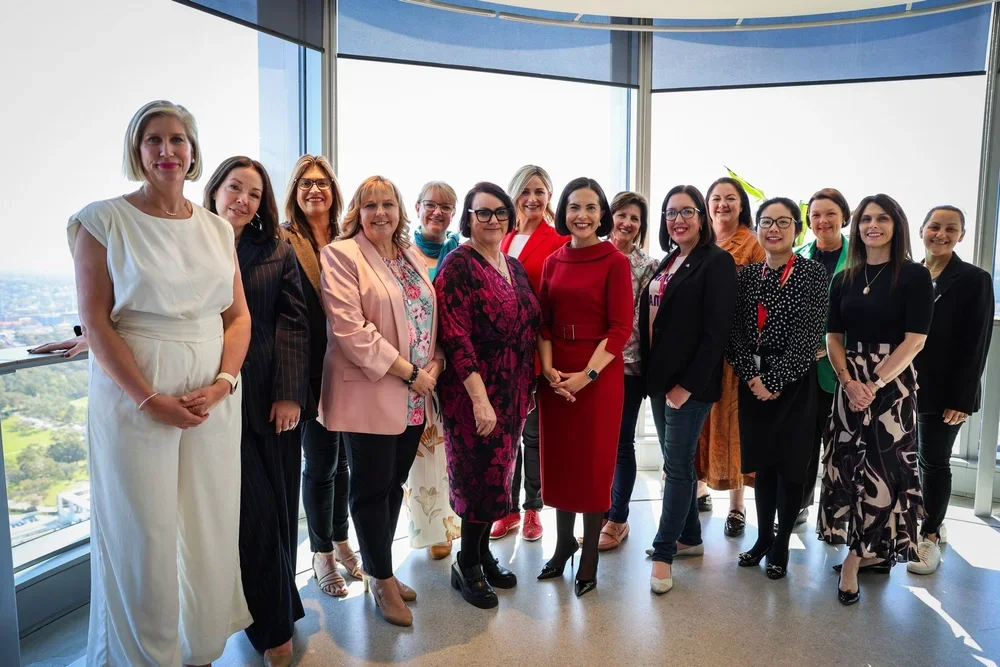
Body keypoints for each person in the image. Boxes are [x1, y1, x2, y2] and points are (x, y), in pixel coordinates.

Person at [70, 100, 251, 666]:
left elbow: (237, 316)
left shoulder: (219, 229)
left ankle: (197, 649)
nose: (167, 151)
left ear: (194, 151)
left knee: (209, 523)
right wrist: (148, 399)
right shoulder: (102, 221)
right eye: (154, 140)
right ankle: (143, 657)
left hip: (211, 397)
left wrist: (224, 383)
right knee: (141, 532)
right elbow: (96, 321)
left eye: (178, 139)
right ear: (136, 149)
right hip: (136, 397)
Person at [319, 175, 444, 627]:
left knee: (393, 486)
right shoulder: (340, 254)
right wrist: (411, 372)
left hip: (415, 397)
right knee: (370, 491)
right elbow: (350, 330)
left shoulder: (410, 255)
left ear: (399, 211)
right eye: (369, 205)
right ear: (357, 210)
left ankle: (378, 570)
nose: (380, 213)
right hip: (371, 393)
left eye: (387, 204)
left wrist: (437, 362)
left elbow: (426, 318)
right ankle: (382, 580)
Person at [204, 156, 309, 666]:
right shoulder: (193, 241)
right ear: (215, 190)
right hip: (209, 399)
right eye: (234, 188)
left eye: (252, 192)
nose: (242, 199)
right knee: (253, 515)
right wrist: (86, 335)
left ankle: (276, 615)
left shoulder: (276, 249)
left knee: (281, 512)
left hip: (270, 401)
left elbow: (295, 322)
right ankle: (273, 625)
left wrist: (290, 392)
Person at [819, 194, 934, 605]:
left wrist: (875, 383)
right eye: (866, 219)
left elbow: (915, 341)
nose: (873, 225)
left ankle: (863, 554)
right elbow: (834, 338)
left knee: (883, 471)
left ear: (896, 224)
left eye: (882, 218)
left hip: (893, 386)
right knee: (848, 467)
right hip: (849, 384)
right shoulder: (844, 278)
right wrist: (850, 381)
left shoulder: (915, 277)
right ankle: (858, 551)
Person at [435, 182, 541, 608]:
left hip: (512, 393)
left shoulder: (513, 267)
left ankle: (480, 553)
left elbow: (529, 324)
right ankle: (467, 565)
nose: (493, 219)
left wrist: (527, 387)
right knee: (475, 478)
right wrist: (480, 399)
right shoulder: (458, 265)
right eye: (483, 213)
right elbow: (456, 338)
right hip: (472, 395)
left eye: (500, 212)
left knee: (498, 479)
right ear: (468, 218)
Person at [535, 177, 632, 598]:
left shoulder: (614, 261)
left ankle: (588, 555)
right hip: (556, 376)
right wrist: (550, 370)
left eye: (592, 207)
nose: (582, 215)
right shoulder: (554, 261)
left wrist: (586, 376)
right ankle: (561, 549)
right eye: (575, 206)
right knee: (559, 465)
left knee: (592, 468)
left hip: (598, 376)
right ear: (564, 211)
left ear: (602, 214)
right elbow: (541, 322)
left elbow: (620, 328)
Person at [639, 184, 737, 594]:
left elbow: (717, 334)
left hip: (689, 388)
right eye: (670, 213)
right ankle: (691, 539)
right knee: (675, 463)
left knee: (676, 469)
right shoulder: (668, 262)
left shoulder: (716, 263)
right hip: (661, 384)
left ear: (701, 218)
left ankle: (663, 555)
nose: (677, 220)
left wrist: (688, 386)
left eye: (687, 212)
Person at [727, 198, 828, 580]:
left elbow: (807, 336)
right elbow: (734, 333)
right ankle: (763, 538)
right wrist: (752, 378)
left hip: (794, 383)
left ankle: (782, 542)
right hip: (751, 380)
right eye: (766, 222)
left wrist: (773, 380)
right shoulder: (747, 276)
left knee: (790, 466)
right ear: (757, 229)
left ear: (797, 230)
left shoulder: (812, 274)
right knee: (763, 466)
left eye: (783, 222)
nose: (774, 229)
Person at [281, 155, 362, 598]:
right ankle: (320, 554)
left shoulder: (349, 237)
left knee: (344, 462)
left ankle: (341, 538)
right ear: (294, 191)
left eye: (323, 183)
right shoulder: (283, 239)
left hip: (350, 366)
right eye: (305, 184)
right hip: (309, 369)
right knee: (321, 463)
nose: (315, 190)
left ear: (334, 191)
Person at [909, 205, 994, 575]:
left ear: (962, 236)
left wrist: (962, 398)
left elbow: (977, 341)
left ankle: (929, 538)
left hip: (947, 392)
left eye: (950, 228)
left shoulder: (974, 278)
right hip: (902, 384)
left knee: (934, 461)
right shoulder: (910, 274)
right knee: (908, 459)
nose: (940, 234)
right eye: (934, 226)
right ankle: (931, 518)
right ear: (922, 230)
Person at [491, 165, 567, 541]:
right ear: (514, 196)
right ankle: (506, 510)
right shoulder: (500, 237)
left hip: (536, 350)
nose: (533, 199)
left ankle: (534, 509)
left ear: (550, 195)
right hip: (501, 356)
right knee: (505, 435)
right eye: (525, 192)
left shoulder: (557, 240)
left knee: (533, 436)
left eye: (540, 191)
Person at [697, 177, 765, 536]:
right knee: (700, 423)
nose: (722, 204)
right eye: (716, 198)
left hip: (736, 354)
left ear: (742, 205)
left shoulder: (752, 244)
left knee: (732, 427)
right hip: (700, 351)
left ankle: (737, 508)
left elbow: (762, 303)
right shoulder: (699, 240)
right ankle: (700, 489)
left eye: (730, 199)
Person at [406, 180, 463, 560]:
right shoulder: (401, 251)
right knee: (420, 451)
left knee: (451, 448)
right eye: (431, 205)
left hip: (454, 365)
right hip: (413, 365)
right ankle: (424, 527)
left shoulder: (460, 251)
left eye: (446, 207)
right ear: (417, 207)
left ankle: (448, 525)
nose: (437, 212)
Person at [599, 191, 658, 551]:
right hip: (588, 365)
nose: (627, 223)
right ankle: (599, 510)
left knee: (621, 443)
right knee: (595, 442)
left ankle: (618, 519)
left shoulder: (649, 266)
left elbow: (643, 320)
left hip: (628, 365)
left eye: (634, 218)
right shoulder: (592, 254)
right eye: (621, 215)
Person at [793, 188, 851, 524]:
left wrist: (829, 346)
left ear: (843, 216)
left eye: (830, 213)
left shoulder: (860, 257)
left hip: (840, 368)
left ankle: (835, 515)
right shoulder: (798, 254)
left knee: (839, 444)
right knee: (801, 443)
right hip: (799, 369)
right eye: (815, 215)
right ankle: (799, 505)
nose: (822, 220)